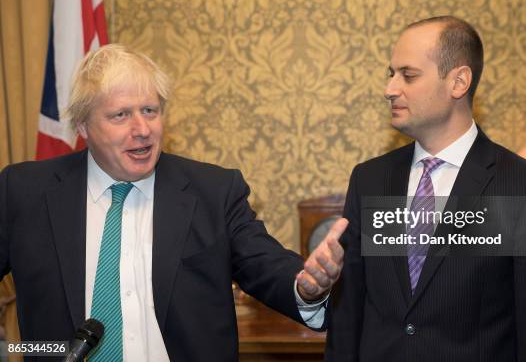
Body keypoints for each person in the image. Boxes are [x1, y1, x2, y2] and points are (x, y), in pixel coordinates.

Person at [0, 44, 346, 361]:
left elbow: (265, 264)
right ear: (83, 125)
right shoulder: (26, 192)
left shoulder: (213, 191)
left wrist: (305, 287)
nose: (142, 129)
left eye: (150, 110)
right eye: (121, 115)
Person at [324, 16, 526, 361]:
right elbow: (348, 317)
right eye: (391, 74)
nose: (390, 89)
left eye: (408, 75)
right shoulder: (369, 180)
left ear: (458, 81)